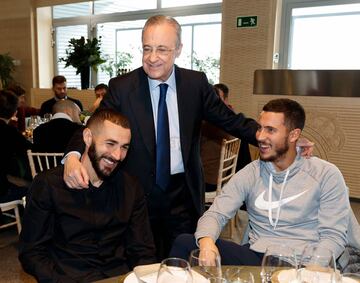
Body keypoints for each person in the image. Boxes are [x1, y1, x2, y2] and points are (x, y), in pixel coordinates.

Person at [62, 15, 312, 260]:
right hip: (136, 196)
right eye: (147, 48)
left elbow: (232, 121)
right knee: (141, 263)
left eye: (162, 49)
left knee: (183, 264)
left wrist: (277, 138)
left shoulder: (195, 83)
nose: (152, 58)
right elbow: (92, 126)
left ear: (179, 49)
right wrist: (73, 156)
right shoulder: (123, 87)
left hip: (182, 195)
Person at [170, 98, 349, 265]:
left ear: (294, 135)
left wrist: (312, 271)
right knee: (185, 243)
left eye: (270, 130)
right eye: (259, 128)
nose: (260, 136)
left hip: (302, 261)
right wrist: (207, 243)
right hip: (258, 256)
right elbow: (216, 213)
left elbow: (333, 236)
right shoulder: (251, 173)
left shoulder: (325, 174)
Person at [19, 109, 156, 282]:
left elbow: (142, 249)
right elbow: (31, 253)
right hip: (66, 277)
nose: (117, 156)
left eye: (124, 147)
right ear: (88, 138)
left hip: (118, 277)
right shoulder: (48, 185)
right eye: (110, 144)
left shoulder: (131, 187)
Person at [0, 90, 32, 203]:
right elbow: (29, 151)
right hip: (2, 192)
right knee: (37, 188)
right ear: (14, 112)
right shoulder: (9, 132)